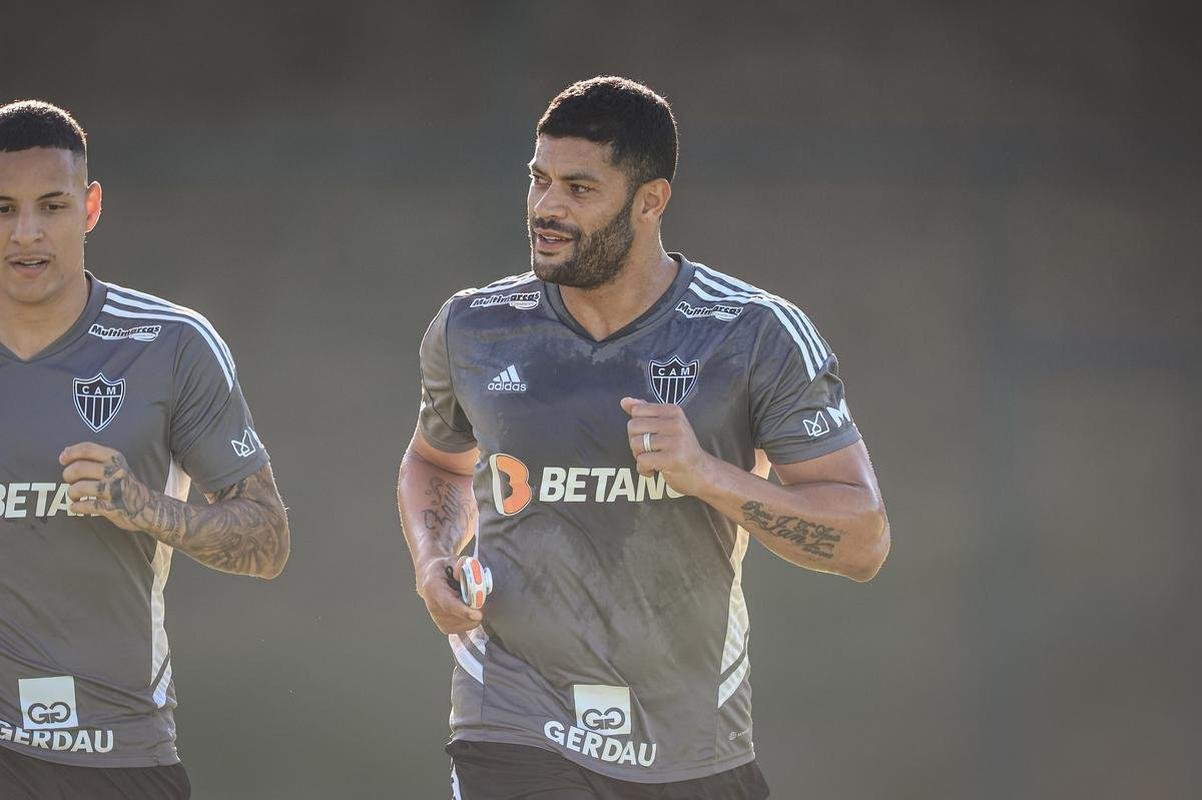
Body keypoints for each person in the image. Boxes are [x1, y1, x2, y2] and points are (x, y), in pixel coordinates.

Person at [397, 76, 889, 800]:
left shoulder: (752, 334)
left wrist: (705, 474)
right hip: (512, 716)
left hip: (694, 738)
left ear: (651, 201)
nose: (546, 208)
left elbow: (862, 541)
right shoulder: (474, 326)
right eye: (538, 181)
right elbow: (434, 461)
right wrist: (435, 558)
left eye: (578, 188)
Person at [0, 100, 290, 799]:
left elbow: (268, 541)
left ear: (91, 207)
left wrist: (144, 507)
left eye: (52, 205)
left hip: (116, 747)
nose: (26, 232)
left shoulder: (172, 344)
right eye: (2, 208)